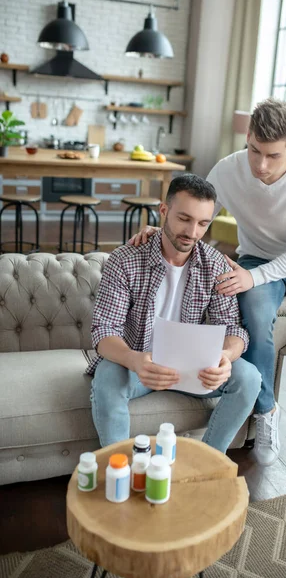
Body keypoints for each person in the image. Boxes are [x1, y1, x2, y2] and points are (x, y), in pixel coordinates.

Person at [130, 98, 286, 512]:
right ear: (248, 139)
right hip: (256, 257)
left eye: (272, 155)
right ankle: (267, 411)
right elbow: (196, 214)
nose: (260, 165)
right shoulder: (228, 169)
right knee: (256, 323)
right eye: (254, 150)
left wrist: (251, 277)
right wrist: (162, 228)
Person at [87, 174, 261, 455]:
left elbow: (234, 329)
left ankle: (207, 462)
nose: (192, 232)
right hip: (139, 365)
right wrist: (134, 360)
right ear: (164, 211)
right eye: (184, 219)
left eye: (203, 223)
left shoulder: (215, 264)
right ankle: (121, 469)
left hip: (195, 369)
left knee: (249, 377)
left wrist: (226, 357)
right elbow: (104, 330)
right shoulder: (125, 259)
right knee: (107, 375)